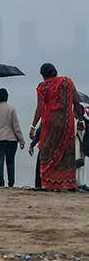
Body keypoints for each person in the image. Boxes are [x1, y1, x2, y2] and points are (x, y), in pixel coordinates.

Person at [29, 63, 84, 191]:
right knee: (66, 153)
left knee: (47, 152)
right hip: (67, 124)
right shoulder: (67, 82)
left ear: (43, 76)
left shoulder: (43, 87)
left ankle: (49, 183)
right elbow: (76, 102)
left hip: (50, 125)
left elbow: (40, 108)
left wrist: (32, 126)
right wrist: (80, 120)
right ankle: (68, 183)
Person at [0, 88, 25, 187]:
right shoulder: (11, 109)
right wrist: (21, 140)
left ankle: (1, 182)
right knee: (10, 162)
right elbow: (16, 127)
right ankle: (11, 183)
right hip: (10, 139)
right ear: (7, 97)